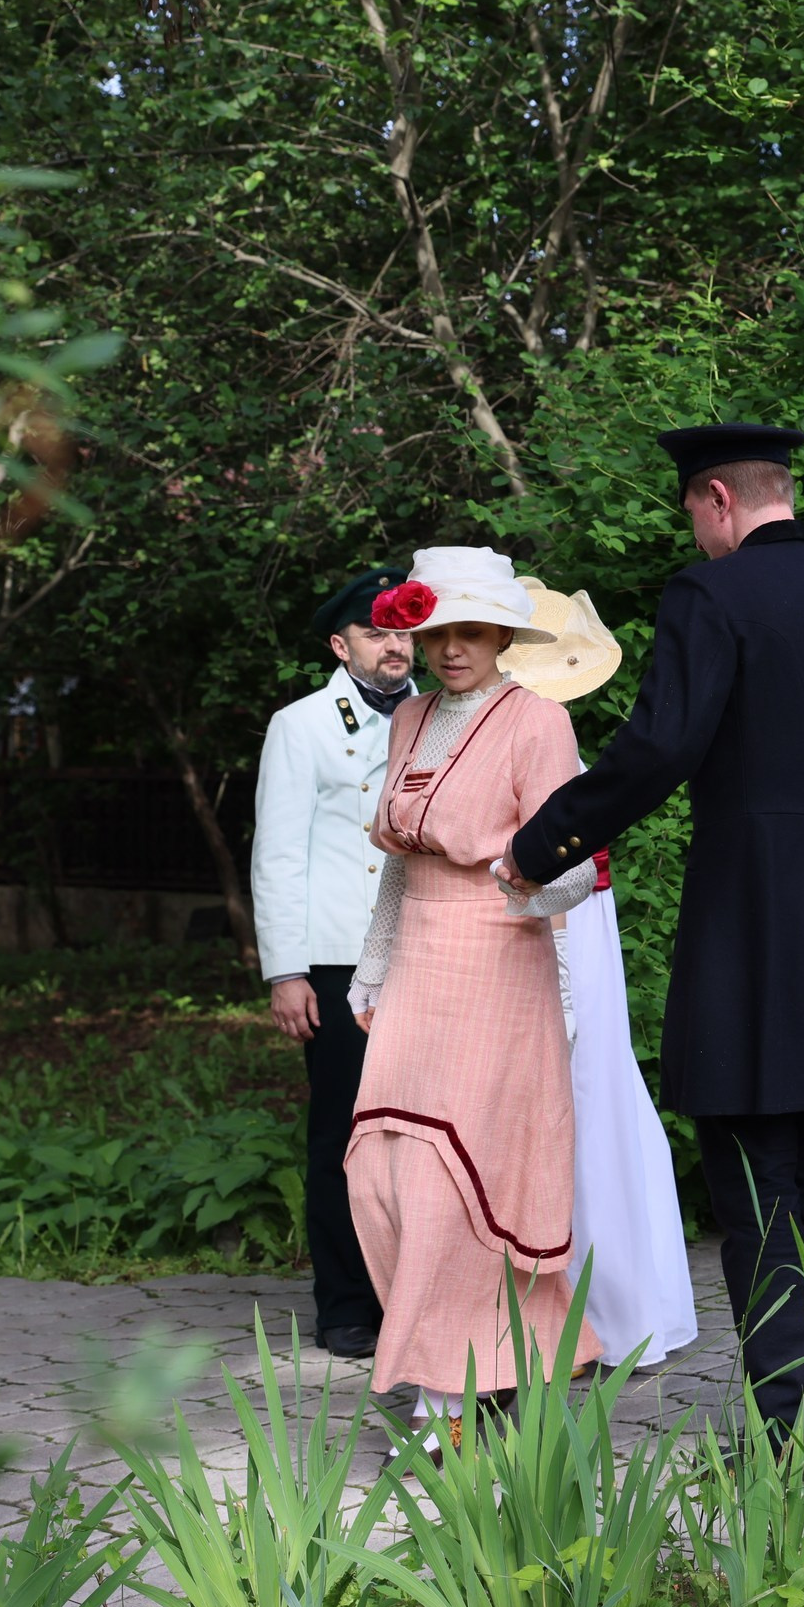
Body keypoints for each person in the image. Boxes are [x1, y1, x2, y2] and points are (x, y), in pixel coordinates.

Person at [503, 423, 804, 1441]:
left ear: (717, 500)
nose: (691, 532)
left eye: (690, 511)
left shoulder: (711, 597)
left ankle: (783, 1432)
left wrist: (540, 843)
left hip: (748, 927)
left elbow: (659, 747)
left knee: (752, 1181)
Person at [344, 546, 603, 1440]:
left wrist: (522, 878)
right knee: (382, 1170)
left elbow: (572, 866)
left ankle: (460, 1400)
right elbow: (398, 866)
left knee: (458, 1177)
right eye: (437, 629)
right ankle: (449, 1372)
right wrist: (373, 966)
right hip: (416, 966)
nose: (453, 646)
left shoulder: (537, 723)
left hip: (499, 962)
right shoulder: (408, 718)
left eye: (471, 629)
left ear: (502, 632)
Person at [498, 582, 700, 1369]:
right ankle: (609, 1303)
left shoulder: (539, 747)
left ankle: (582, 1312)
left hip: (556, 936)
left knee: (574, 1092)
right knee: (596, 1094)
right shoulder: (563, 746)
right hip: (571, 930)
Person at [250, 566, 414, 1361]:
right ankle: (347, 1302)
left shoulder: (440, 717)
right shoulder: (302, 724)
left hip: (429, 952)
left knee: (425, 1136)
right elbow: (278, 856)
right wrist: (286, 972)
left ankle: (417, 1298)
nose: (394, 645)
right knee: (343, 1133)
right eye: (377, 632)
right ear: (340, 644)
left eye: (402, 629)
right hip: (340, 961)